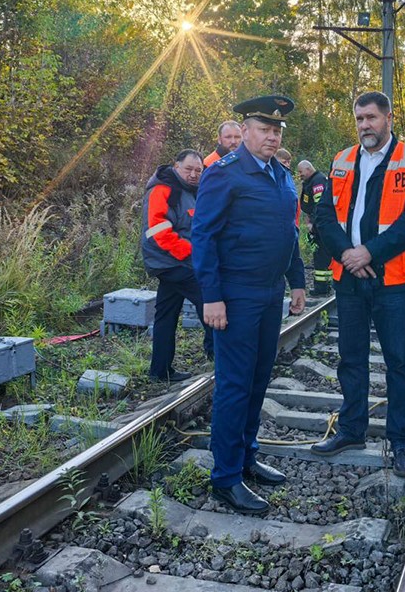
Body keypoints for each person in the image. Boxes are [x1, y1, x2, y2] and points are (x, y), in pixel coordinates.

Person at [192, 95, 307, 515]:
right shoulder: (223, 174)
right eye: (264, 129)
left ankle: (246, 458)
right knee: (234, 385)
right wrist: (213, 296)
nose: (272, 136)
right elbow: (202, 237)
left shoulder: (281, 175)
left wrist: (297, 280)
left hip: (269, 293)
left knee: (258, 380)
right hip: (235, 295)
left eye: (277, 131)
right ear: (244, 132)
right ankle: (225, 478)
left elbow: (289, 233)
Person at [311, 91, 405, 477]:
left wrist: (370, 253)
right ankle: (351, 429)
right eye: (360, 118)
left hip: (393, 281)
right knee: (351, 357)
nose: (365, 125)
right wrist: (350, 254)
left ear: (389, 118)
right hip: (349, 278)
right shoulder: (342, 160)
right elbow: (324, 216)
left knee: (398, 361)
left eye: (371, 118)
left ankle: (400, 442)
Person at [140, 150, 215, 381]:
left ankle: (160, 371)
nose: (193, 174)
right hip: (174, 263)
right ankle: (222, 357)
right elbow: (158, 232)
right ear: (176, 166)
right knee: (211, 303)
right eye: (188, 169)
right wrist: (193, 254)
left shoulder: (189, 190)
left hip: (176, 263)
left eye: (198, 171)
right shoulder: (163, 189)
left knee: (166, 315)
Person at [297, 160, 334, 296]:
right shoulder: (310, 181)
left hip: (320, 226)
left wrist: (313, 222)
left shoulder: (318, 181)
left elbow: (319, 205)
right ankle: (325, 285)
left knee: (321, 256)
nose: (299, 175)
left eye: (301, 172)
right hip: (318, 225)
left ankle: (322, 287)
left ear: (308, 169)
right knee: (320, 256)